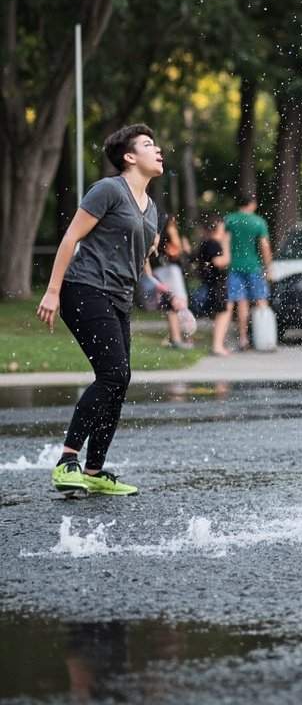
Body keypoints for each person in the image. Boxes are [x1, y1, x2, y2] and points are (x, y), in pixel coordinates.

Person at [37, 124, 169, 496]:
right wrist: (52, 291)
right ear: (129, 157)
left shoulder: (152, 209)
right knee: (113, 374)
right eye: (148, 144)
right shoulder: (108, 190)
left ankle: (94, 470)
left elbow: (139, 261)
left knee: (119, 380)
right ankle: (67, 462)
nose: (157, 149)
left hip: (118, 298)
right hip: (85, 289)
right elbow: (71, 238)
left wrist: (160, 287)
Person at [224, 193, 273, 351]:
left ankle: (243, 339)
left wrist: (225, 260)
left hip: (234, 267)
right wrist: (268, 267)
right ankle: (266, 338)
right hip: (253, 266)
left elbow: (224, 240)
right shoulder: (258, 222)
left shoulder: (230, 220)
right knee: (261, 300)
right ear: (252, 204)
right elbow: (264, 246)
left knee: (241, 302)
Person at [195, 214, 232, 356]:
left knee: (223, 311)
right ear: (217, 228)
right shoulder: (213, 243)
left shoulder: (207, 243)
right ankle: (217, 345)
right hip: (216, 284)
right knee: (222, 312)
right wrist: (226, 245)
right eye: (222, 227)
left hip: (213, 283)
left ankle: (218, 343)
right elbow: (220, 262)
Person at [154, 215, 192, 348]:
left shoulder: (157, 236)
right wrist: (185, 249)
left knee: (171, 303)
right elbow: (176, 252)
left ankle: (177, 337)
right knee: (178, 303)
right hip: (171, 272)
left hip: (162, 272)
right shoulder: (169, 235)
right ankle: (179, 338)